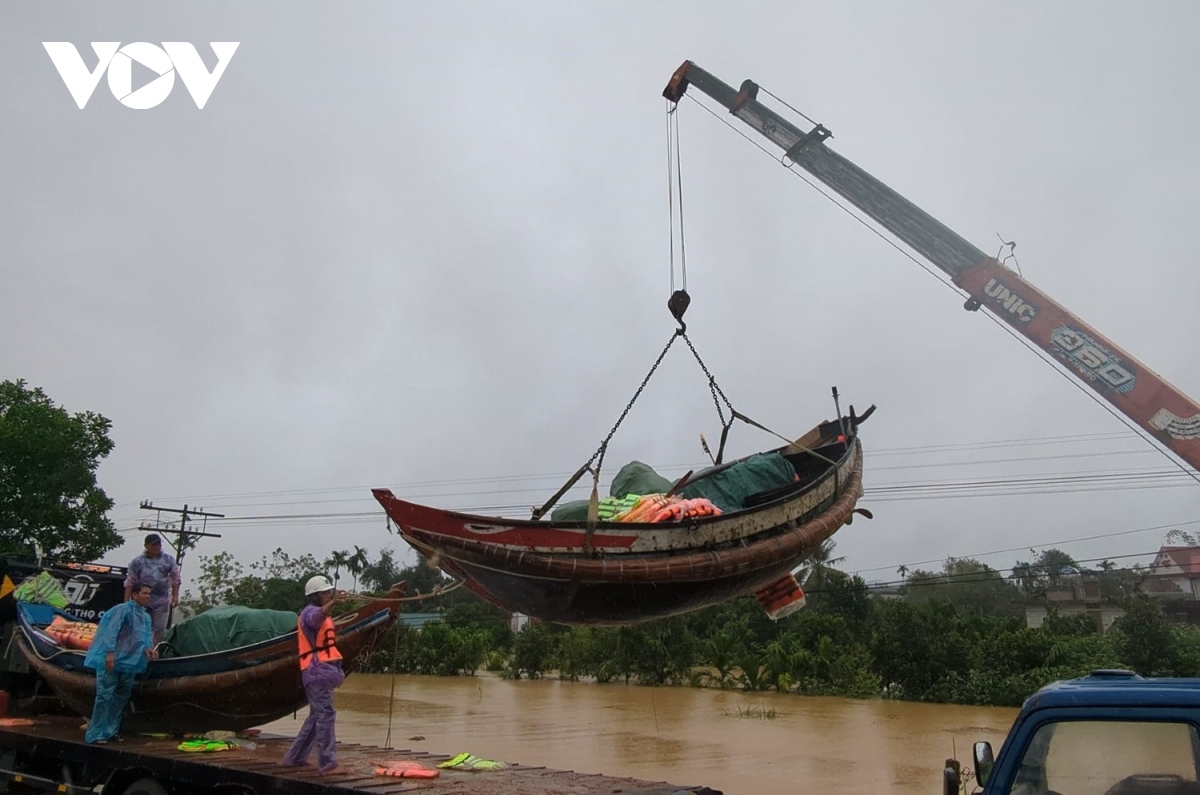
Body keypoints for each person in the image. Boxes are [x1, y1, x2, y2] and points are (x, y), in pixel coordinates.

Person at [281, 575, 347, 774]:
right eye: (325, 593)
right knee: (326, 714)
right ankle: (327, 763)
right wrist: (334, 602)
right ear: (315, 596)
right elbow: (316, 618)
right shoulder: (310, 613)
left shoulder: (321, 614)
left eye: (329, 592)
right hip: (316, 671)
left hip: (321, 671)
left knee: (316, 716)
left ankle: (295, 757)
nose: (328, 595)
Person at [84, 583, 156, 744]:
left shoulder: (145, 617)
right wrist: (109, 653)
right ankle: (95, 734)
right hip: (114, 659)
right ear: (134, 594)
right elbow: (112, 631)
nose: (148, 596)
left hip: (130, 662)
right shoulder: (122, 610)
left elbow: (144, 637)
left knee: (121, 697)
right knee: (105, 695)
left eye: (149, 594)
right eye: (144, 593)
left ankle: (110, 731)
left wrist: (148, 649)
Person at [124, 533, 181, 645]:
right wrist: (126, 601)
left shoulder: (168, 559)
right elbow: (130, 581)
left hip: (162, 599)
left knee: (159, 628)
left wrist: (175, 595)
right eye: (154, 544)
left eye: (158, 543)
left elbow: (176, 578)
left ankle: (154, 650)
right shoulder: (138, 561)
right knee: (141, 626)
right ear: (146, 546)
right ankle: (139, 648)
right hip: (142, 599)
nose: (157, 546)